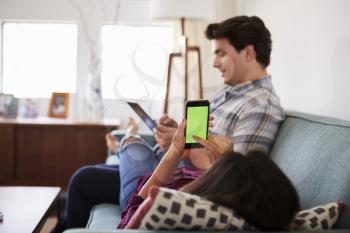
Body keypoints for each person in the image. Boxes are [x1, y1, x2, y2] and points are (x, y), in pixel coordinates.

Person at [51, 15, 285, 232]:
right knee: (94, 172)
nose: (214, 63)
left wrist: (182, 150)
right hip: (172, 167)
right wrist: (177, 132)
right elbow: (206, 142)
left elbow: (236, 173)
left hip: (180, 177)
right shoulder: (230, 93)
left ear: (248, 53)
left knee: (85, 179)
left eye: (221, 53)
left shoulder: (259, 106)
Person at [122, 120, 300, 230]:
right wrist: (221, 165)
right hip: (183, 171)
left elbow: (132, 216)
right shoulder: (233, 201)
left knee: (132, 143)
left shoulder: (175, 205)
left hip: (142, 187)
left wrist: (174, 153)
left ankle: (128, 133)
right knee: (150, 148)